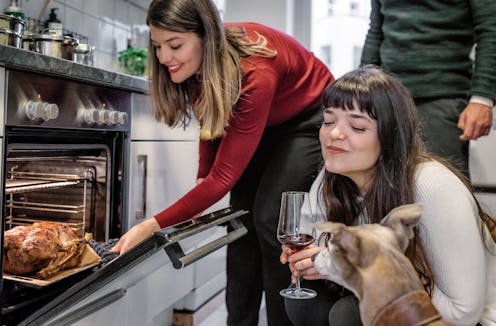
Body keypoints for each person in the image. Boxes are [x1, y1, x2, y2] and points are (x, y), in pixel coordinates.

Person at [110, 0, 334, 325]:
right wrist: (203, 175)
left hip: (306, 115)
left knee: (271, 217)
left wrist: (151, 225)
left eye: (175, 45)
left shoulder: (255, 72)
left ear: (207, 37)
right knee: (240, 219)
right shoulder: (198, 64)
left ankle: (282, 320)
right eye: (158, 46)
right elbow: (212, 119)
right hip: (265, 117)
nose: (163, 58)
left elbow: (224, 178)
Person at [280, 66, 496, 326]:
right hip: (399, 301)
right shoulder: (332, 178)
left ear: (390, 138)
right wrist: (312, 262)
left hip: (467, 321)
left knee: (349, 314)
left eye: (357, 127)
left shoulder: (432, 186)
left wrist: (345, 266)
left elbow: (463, 313)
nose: (334, 134)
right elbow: (319, 251)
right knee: (306, 300)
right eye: (328, 121)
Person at [360, 0, 496, 177]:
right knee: (387, 186)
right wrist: (361, 89)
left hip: (442, 96)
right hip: (386, 97)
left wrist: (482, 98)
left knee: (444, 186)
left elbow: (491, 30)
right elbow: (376, 30)